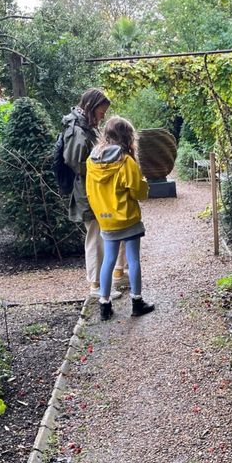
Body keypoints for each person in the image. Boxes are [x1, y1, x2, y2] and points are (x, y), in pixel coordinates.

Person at [61, 89, 127, 302]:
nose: (103, 116)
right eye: (101, 111)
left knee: (104, 234)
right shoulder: (77, 130)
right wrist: (103, 166)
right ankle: (96, 285)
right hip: (87, 193)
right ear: (91, 106)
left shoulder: (85, 127)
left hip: (94, 189)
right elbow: (73, 162)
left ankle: (110, 277)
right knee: (95, 237)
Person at [86, 116, 154, 321]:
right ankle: (137, 301)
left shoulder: (92, 161)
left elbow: (89, 192)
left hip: (106, 220)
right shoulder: (126, 161)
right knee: (133, 259)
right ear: (127, 137)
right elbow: (139, 192)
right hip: (127, 218)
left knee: (108, 260)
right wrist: (144, 184)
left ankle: (104, 305)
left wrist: (101, 213)